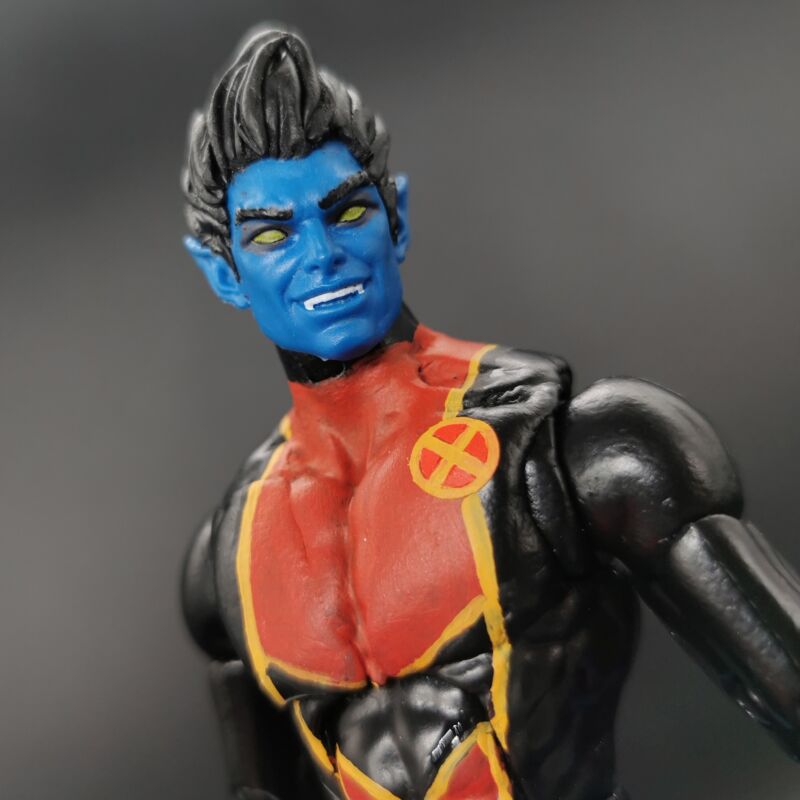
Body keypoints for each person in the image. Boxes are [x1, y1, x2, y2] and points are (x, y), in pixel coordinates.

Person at [181, 26, 800, 800]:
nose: (321, 255)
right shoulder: (228, 560)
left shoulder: (577, 451)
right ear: (224, 271)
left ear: (396, 218)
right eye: (273, 233)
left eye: (347, 214)